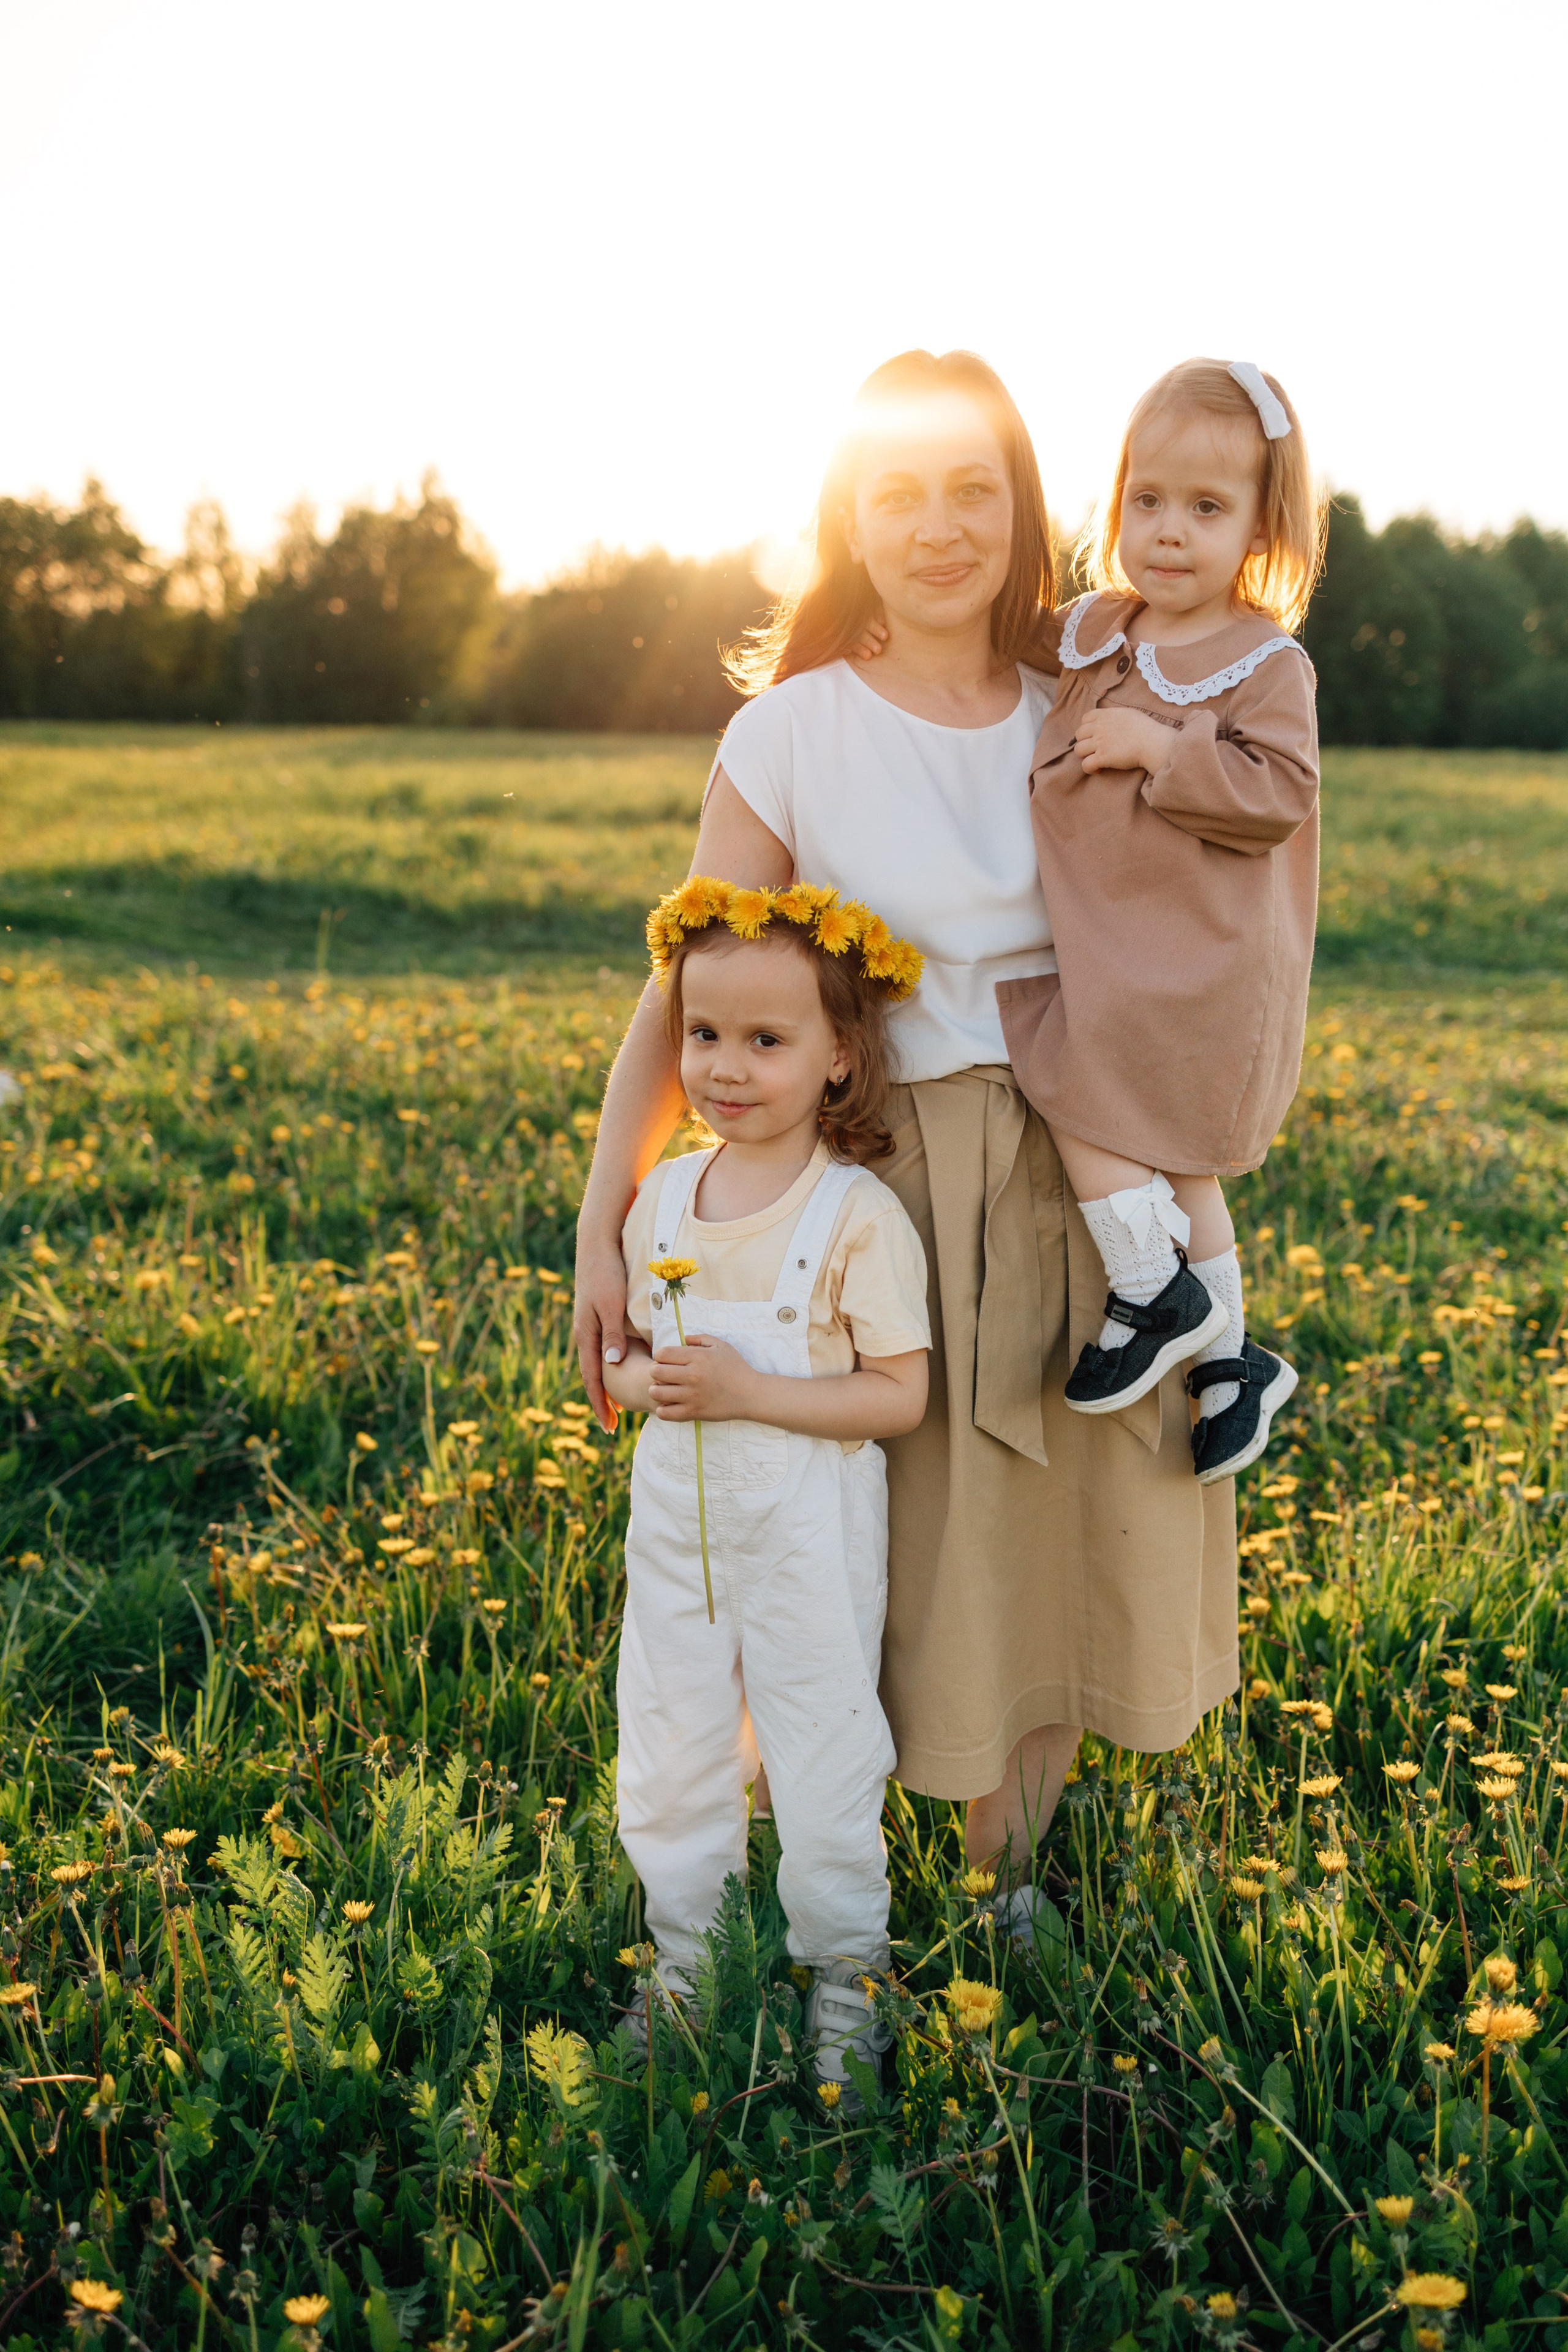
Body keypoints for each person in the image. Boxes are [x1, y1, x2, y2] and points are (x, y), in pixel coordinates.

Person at [576, 349, 1237, 1919]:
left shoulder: (1092, 702)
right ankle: (797, 1873)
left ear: (1022, 510)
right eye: (898, 494)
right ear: (848, 518)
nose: (938, 528)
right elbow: (684, 994)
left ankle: (1012, 1883)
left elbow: (1193, 940)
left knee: (1064, 1525)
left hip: (1093, 1169)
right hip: (887, 1189)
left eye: (970, 491)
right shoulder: (791, 732)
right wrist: (602, 1221)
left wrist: (1198, 1195)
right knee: (904, 1534)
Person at [605, 880, 931, 2095]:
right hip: (678, 1539)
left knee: (821, 1747)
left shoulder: (854, 1215)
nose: (726, 1067)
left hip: (806, 1537)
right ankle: (685, 1961)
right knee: (671, 1740)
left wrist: (749, 1391)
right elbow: (625, 1366)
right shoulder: (661, 1201)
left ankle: (845, 1975)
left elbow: (898, 1395)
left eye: (766, 1040)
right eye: (702, 1034)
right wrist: (649, 1383)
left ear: (838, 1056)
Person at [996, 359, 1323, 1483]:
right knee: (1181, 1167)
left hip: (1200, 959)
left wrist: (1164, 746)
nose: (1169, 531)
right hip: (1117, 944)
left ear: (1261, 529)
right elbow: (1003, 638)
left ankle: (1152, 1289)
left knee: (1071, 1074)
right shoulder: (1097, 627)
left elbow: (1280, 792)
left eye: (1207, 507)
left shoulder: (1263, 664)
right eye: (1148, 499)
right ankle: (1231, 1364)